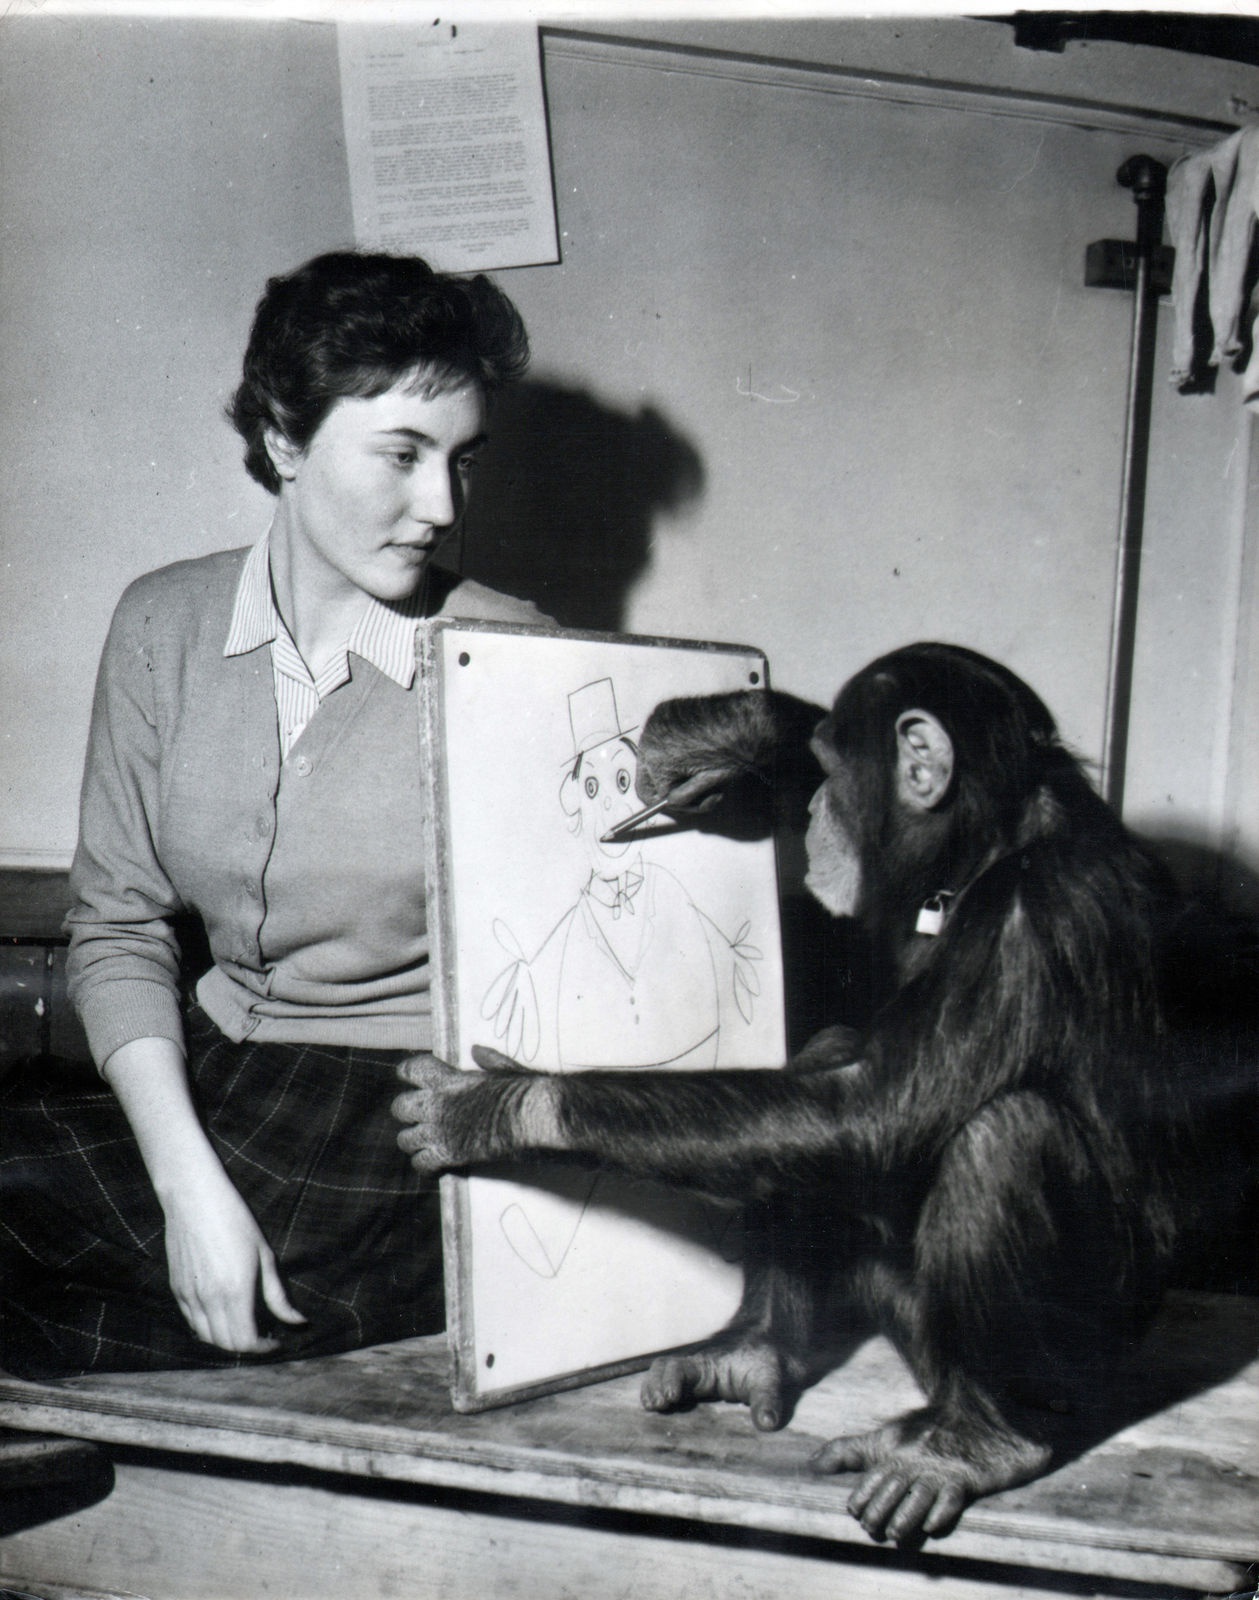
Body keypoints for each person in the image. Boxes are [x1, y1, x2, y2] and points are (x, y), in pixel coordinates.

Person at [0, 250, 549, 1378]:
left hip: (387, 1121)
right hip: (202, 1074)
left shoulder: (512, 654)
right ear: (286, 441)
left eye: (460, 461)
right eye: (401, 454)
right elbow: (117, 926)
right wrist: (186, 1182)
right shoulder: (163, 624)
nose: (442, 507)